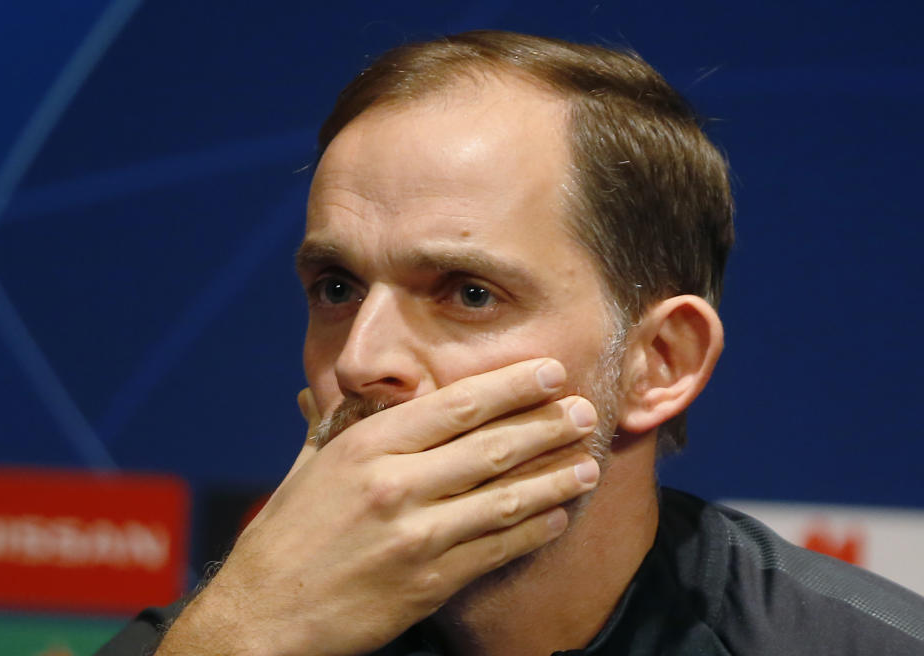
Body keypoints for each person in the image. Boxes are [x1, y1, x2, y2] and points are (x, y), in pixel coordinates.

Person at [97, 30, 924, 655]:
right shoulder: (218, 635)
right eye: (338, 288)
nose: (359, 359)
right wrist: (245, 633)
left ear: (658, 363)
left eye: (469, 293)